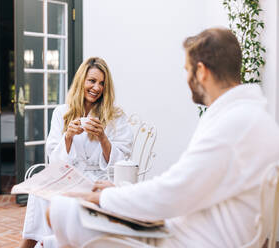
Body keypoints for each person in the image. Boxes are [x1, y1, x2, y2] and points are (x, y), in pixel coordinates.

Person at [46, 28, 279, 247]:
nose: (187, 79)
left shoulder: (234, 124)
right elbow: (184, 185)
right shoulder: (249, 117)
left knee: (61, 210)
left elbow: (173, 193)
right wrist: (118, 192)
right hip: (188, 226)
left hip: (186, 240)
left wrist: (106, 197)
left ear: (201, 71)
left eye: (187, 70)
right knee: (65, 210)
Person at [19, 57, 133, 248]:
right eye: (92, 81)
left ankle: (48, 244)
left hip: (99, 179)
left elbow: (122, 159)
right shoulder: (62, 112)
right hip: (69, 176)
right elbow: (53, 158)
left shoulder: (116, 116)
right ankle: (32, 243)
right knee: (38, 193)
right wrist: (68, 137)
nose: (96, 87)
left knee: (58, 197)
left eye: (102, 83)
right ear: (81, 81)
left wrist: (103, 138)